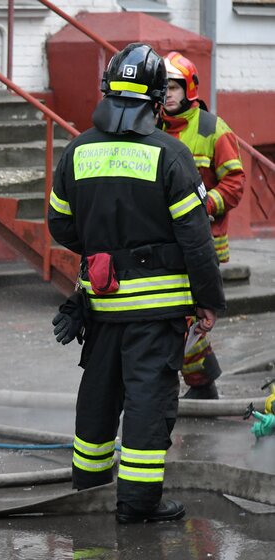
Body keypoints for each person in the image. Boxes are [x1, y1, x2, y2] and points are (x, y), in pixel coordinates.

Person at [47, 43, 225, 524]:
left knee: (99, 394)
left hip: (101, 306)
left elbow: (60, 227)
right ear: (153, 100)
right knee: (148, 400)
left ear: (106, 92)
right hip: (157, 312)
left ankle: (87, 488)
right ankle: (139, 503)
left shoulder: (78, 149)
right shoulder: (171, 154)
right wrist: (209, 300)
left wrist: (103, 241)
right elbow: (196, 238)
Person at [161, 51, 246, 400]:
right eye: (162, 86)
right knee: (179, 317)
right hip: (165, 242)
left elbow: (235, 183)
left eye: (174, 86)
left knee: (190, 320)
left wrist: (204, 204)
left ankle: (199, 383)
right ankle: (199, 381)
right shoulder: (152, 127)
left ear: (189, 88)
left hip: (202, 243)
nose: (167, 93)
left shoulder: (213, 129)